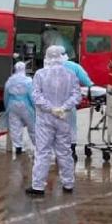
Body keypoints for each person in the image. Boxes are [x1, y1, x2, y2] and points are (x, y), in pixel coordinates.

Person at [27, 45, 81, 195]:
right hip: (63, 119)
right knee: (64, 152)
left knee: (43, 152)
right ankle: (68, 184)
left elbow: (36, 96)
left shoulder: (40, 74)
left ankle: (38, 187)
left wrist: (51, 108)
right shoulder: (71, 74)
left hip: (45, 119)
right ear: (62, 57)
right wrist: (63, 108)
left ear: (47, 57)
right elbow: (77, 95)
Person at [60, 52, 93, 160]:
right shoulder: (74, 67)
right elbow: (87, 82)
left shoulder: (49, 68)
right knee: (71, 126)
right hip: (69, 102)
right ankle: (72, 151)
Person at [2, 61, 36, 154]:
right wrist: (36, 108)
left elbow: (6, 96)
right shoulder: (28, 81)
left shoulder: (10, 81)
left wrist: (6, 107)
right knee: (32, 126)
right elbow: (32, 96)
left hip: (12, 105)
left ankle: (18, 147)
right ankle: (38, 146)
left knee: (15, 126)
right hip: (26, 106)